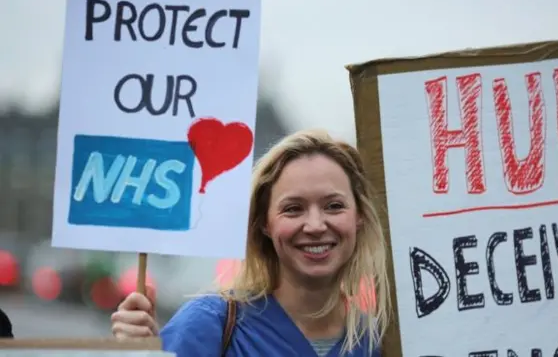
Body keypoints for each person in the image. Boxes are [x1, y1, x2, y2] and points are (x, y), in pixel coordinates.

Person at [111, 130, 391, 356]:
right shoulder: (211, 325)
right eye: (293, 208)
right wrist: (134, 353)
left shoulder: (382, 343)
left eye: (334, 205)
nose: (316, 225)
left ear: (360, 217)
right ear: (264, 224)